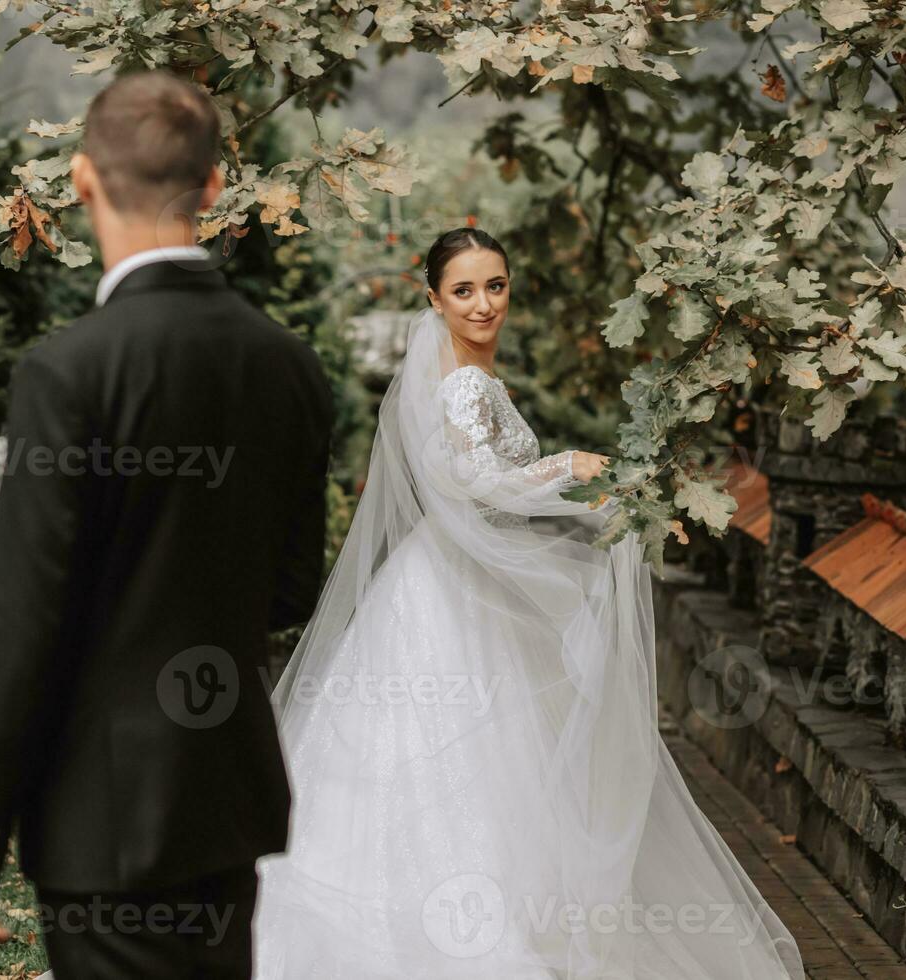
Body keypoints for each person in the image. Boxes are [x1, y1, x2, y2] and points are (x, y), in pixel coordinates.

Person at [250, 227, 805, 979]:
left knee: (494, 750)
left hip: (447, 577)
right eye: (465, 290)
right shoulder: (464, 383)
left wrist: (583, 491)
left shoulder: (466, 373)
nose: (484, 304)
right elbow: (477, 480)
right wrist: (568, 464)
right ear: (433, 299)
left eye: (497, 285)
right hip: (446, 595)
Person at [0, 70, 334, 980]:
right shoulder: (289, 369)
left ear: (80, 181)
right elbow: (289, 586)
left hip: (100, 820)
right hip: (225, 803)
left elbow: (24, 621)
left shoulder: (68, 372)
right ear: (211, 190)